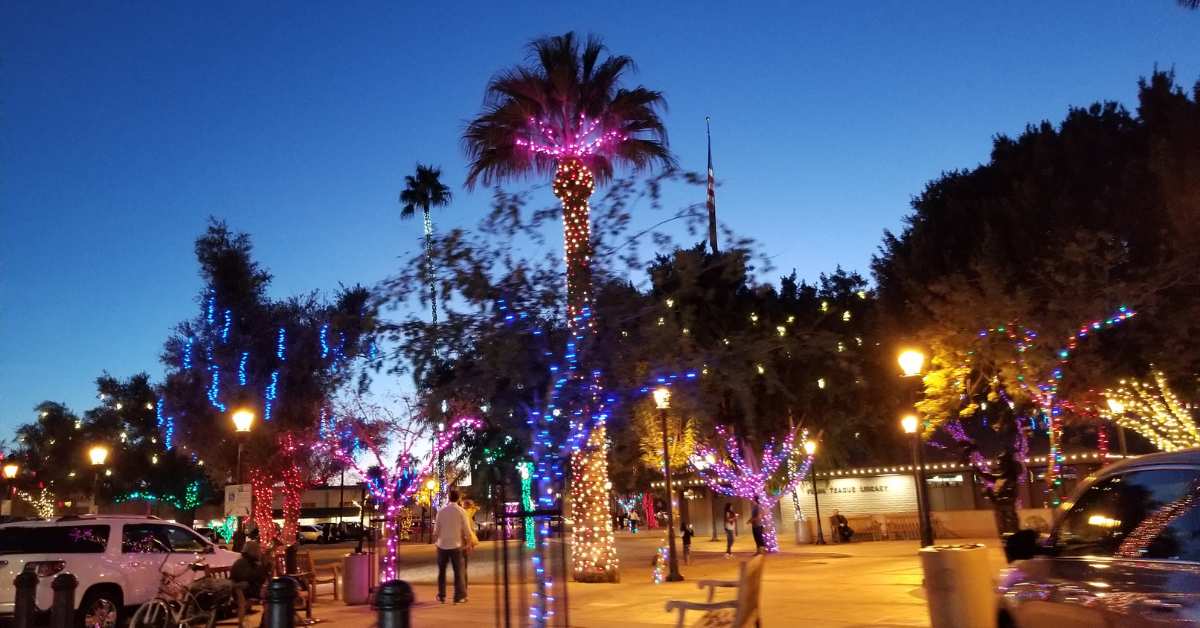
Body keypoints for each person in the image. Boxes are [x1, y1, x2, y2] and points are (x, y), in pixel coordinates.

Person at [433, 489, 474, 604]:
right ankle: (458, 596)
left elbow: (436, 531)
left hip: (442, 545)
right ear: (459, 498)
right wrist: (469, 542)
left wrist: (436, 540)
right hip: (456, 545)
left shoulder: (441, 511)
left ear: (449, 498)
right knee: (458, 572)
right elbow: (467, 529)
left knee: (441, 572)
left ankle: (442, 595)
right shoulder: (461, 511)